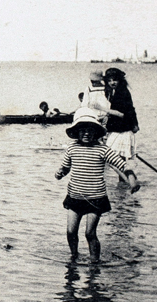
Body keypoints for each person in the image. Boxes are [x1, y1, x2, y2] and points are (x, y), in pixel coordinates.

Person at [55, 109, 129, 262]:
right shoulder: (72, 148)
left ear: (96, 132)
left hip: (96, 199)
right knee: (70, 231)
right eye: (83, 130)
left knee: (90, 233)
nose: (86, 134)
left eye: (90, 130)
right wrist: (60, 173)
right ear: (77, 132)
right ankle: (74, 256)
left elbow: (121, 165)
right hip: (75, 198)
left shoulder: (102, 149)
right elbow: (66, 166)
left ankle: (94, 261)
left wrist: (132, 180)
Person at [103, 67, 140, 193]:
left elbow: (122, 114)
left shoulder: (120, 92)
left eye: (115, 80)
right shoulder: (119, 91)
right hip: (123, 130)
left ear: (120, 80)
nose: (112, 82)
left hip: (121, 132)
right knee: (119, 160)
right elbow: (131, 109)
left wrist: (104, 109)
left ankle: (129, 182)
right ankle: (126, 184)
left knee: (111, 158)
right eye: (110, 80)